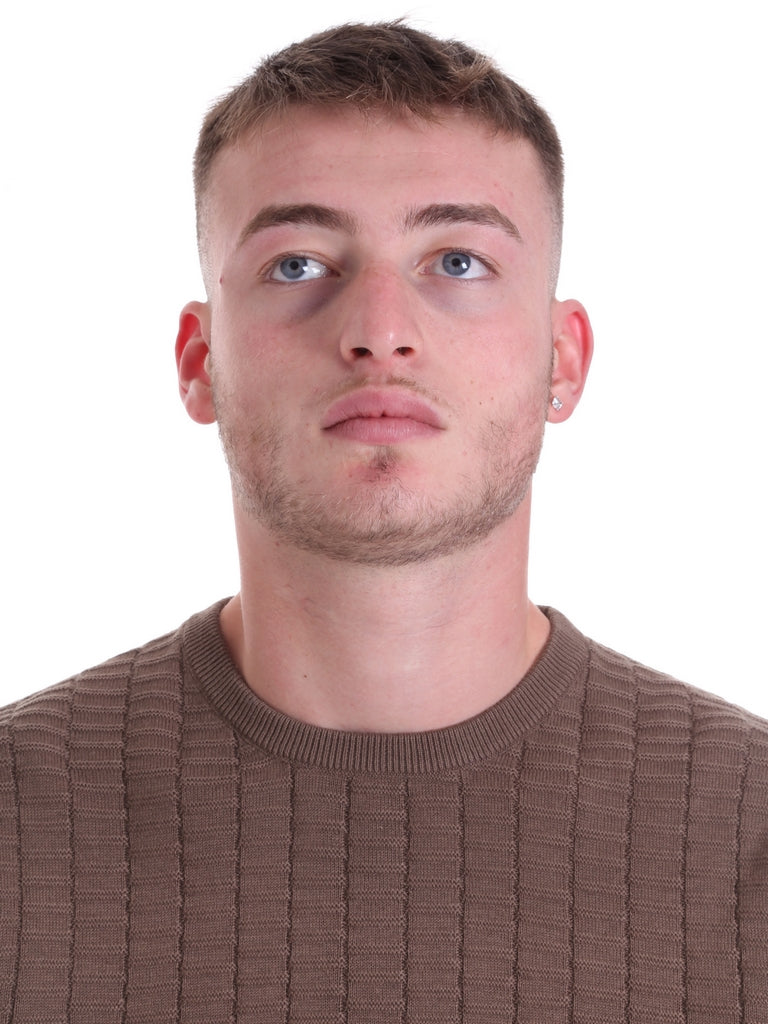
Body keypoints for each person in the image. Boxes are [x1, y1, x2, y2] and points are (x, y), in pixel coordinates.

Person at [1, 20, 766, 1023]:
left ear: (565, 360)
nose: (379, 332)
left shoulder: (752, 835)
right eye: (297, 264)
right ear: (199, 362)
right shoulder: (15, 825)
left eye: (457, 262)